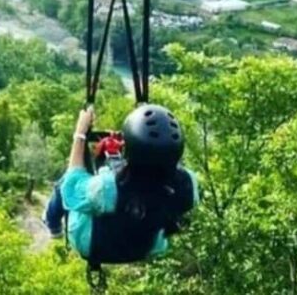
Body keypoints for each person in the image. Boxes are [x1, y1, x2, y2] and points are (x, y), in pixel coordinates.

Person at [42, 104, 198, 263]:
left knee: (66, 181)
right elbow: (157, 170)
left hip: (93, 244)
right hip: (144, 247)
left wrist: (80, 133)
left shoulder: (109, 188)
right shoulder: (186, 185)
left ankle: (52, 223)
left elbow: (72, 185)